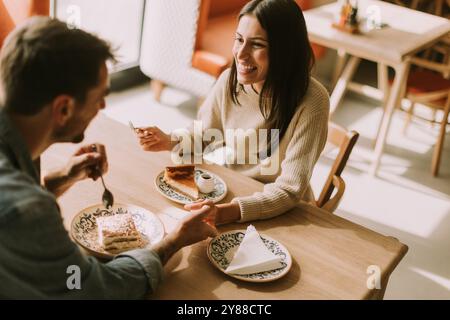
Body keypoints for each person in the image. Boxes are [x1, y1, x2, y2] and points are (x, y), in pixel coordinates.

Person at [0, 17, 217, 299]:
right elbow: (94, 288)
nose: (102, 108)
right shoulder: (27, 207)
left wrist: (63, 178)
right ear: (63, 109)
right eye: (99, 98)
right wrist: (175, 239)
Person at [137, 0, 329, 225]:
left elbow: (289, 189)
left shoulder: (312, 101)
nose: (241, 54)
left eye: (256, 45)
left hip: (283, 210)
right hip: (233, 192)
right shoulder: (229, 79)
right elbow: (205, 134)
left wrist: (227, 212)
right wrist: (169, 140)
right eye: (239, 40)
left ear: (284, 50)